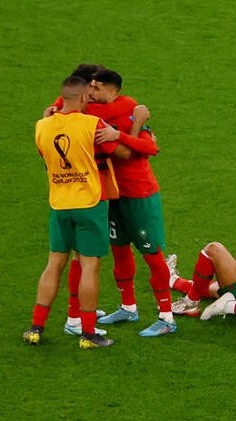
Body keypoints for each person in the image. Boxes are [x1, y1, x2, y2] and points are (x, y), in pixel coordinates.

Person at [24, 76, 131, 350]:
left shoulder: (41, 126)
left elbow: (45, 156)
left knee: (54, 265)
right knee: (89, 267)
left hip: (59, 205)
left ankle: (36, 328)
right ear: (83, 98)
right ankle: (87, 333)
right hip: (90, 204)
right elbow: (121, 153)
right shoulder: (91, 124)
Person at [87, 69, 177, 337]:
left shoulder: (128, 107)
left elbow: (150, 148)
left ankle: (167, 317)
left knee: (152, 254)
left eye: (96, 87)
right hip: (113, 194)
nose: (91, 92)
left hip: (140, 194)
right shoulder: (91, 111)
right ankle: (128, 307)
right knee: (119, 250)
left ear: (112, 91)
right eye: (89, 86)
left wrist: (120, 135)